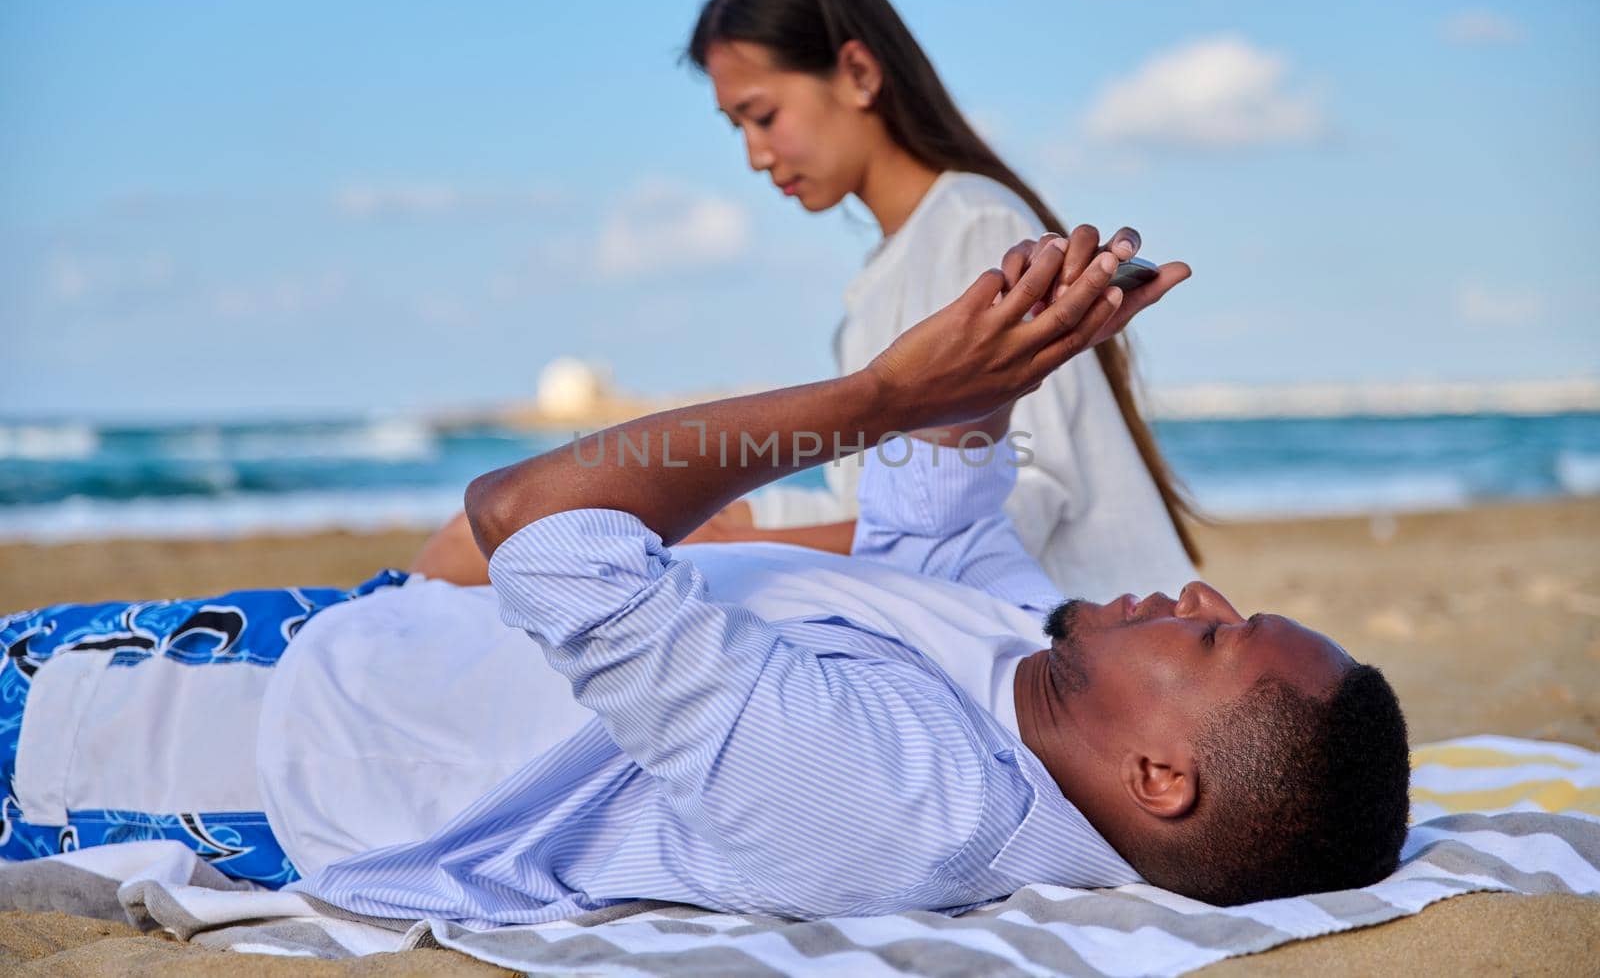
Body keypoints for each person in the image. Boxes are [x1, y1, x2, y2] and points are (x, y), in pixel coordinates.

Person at [0, 233, 1410, 922]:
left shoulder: (911, 805)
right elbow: (933, 515)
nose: (1206, 597)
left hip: (264, 750)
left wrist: (870, 394)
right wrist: (1005, 363)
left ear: (1164, 777)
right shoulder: (1040, 680)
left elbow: (531, 520)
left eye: (1224, 643)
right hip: (353, 635)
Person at [678, 0, 1200, 603]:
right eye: (736, 129)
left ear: (859, 72)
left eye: (763, 116)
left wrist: (744, 545)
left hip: (1108, 659)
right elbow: (892, 504)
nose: (755, 155)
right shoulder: (879, 286)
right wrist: (737, 524)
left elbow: (1009, 509)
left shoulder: (977, 229)